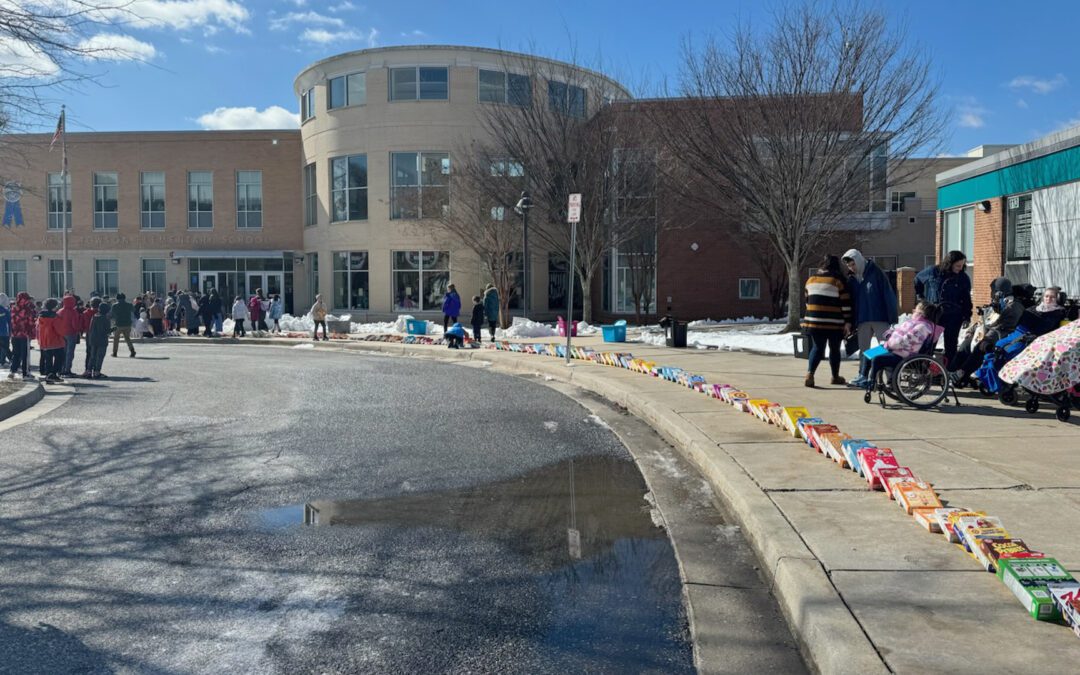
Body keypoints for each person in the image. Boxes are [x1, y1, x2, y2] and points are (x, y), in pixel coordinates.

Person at [950, 277, 1026, 385]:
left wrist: (987, 335)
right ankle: (953, 370)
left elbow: (1002, 325)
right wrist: (971, 330)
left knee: (980, 347)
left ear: (1000, 291)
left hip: (1003, 334)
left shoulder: (1014, 306)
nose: (992, 293)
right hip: (988, 331)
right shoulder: (997, 303)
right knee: (966, 344)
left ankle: (962, 373)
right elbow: (984, 321)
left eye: (994, 290)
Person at [856, 301, 942, 389]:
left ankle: (872, 382)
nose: (913, 310)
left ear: (921, 313)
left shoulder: (923, 327)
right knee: (868, 354)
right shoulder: (913, 323)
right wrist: (891, 334)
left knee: (877, 359)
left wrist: (890, 343)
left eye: (916, 309)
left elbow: (906, 341)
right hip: (894, 348)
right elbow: (900, 334)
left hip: (904, 355)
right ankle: (863, 377)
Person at [801, 255, 853, 388]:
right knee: (834, 348)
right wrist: (848, 321)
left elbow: (807, 301)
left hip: (813, 321)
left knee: (817, 347)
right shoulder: (837, 281)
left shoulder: (810, 280)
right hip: (833, 322)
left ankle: (810, 374)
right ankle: (835, 377)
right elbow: (845, 303)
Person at [914, 250, 972, 367]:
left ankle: (949, 369)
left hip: (954, 315)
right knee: (930, 343)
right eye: (957, 265)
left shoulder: (963, 278)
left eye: (962, 265)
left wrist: (967, 316)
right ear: (949, 263)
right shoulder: (933, 271)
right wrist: (921, 297)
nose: (960, 268)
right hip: (934, 314)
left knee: (951, 344)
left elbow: (966, 299)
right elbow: (917, 280)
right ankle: (922, 367)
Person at [843, 249, 898, 365]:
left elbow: (888, 294)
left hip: (880, 317)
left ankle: (890, 375)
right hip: (862, 319)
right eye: (849, 266)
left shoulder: (876, 272)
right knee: (864, 350)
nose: (852, 268)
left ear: (858, 260)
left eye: (853, 264)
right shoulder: (852, 279)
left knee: (886, 347)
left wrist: (892, 316)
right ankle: (863, 374)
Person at [36, 298, 67, 384]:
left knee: (48, 359)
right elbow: (60, 330)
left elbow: (37, 329)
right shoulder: (56, 317)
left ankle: (48, 374)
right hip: (56, 341)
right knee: (59, 358)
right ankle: (53, 374)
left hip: (45, 341)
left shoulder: (40, 316)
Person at [7, 292, 36, 380]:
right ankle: (25, 373)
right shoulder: (27, 309)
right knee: (25, 355)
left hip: (14, 334)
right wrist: (32, 331)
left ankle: (13, 370)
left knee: (16, 353)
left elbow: (11, 321)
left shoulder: (13, 308)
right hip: (24, 334)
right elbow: (31, 322)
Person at [57, 294, 82, 377]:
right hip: (71, 333)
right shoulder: (73, 312)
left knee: (62, 352)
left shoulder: (60, 311)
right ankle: (67, 369)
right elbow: (75, 324)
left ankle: (61, 368)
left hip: (61, 334)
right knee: (70, 352)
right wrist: (78, 330)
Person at [86, 302, 112, 379]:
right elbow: (106, 331)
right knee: (100, 356)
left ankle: (89, 371)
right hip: (102, 340)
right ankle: (97, 372)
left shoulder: (94, 316)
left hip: (93, 339)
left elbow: (90, 328)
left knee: (92, 356)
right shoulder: (105, 319)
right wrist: (113, 329)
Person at [111, 292, 136, 358]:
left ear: (117, 298)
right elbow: (133, 310)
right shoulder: (129, 305)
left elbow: (112, 315)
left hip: (118, 324)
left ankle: (115, 352)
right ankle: (132, 351)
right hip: (127, 324)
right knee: (127, 338)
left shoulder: (115, 305)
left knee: (116, 339)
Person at [0, 293, 10, 367]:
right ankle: (4, 360)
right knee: (5, 347)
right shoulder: (5, 310)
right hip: (3, 332)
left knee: (2, 347)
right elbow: (9, 321)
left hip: (3, 331)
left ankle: (3, 360)